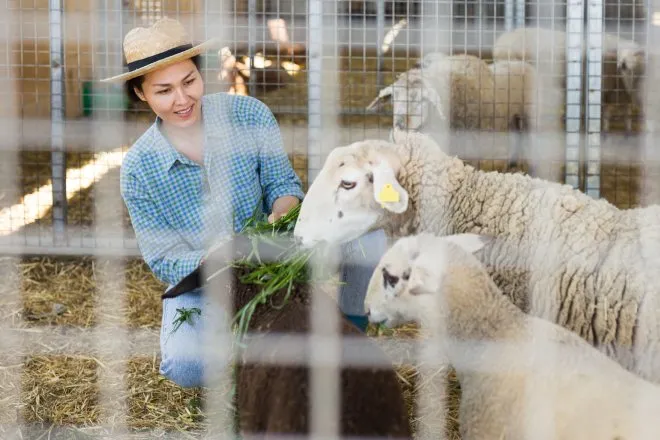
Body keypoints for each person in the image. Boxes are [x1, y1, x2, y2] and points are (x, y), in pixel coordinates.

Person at [103, 17, 388, 388]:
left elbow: (282, 184)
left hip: (278, 254)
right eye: (164, 91)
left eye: (189, 81)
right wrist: (217, 258)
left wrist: (285, 210)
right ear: (141, 94)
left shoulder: (248, 114)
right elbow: (163, 257)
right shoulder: (139, 169)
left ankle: (351, 329)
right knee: (187, 367)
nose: (182, 99)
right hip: (206, 282)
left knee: (367, 236)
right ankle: (248, 353)